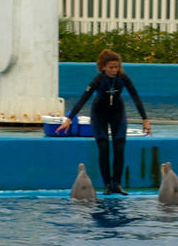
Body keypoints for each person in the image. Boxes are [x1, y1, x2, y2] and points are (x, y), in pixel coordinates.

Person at [56, 49, 152, 195]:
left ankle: (117, 184)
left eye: (117, 67)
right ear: (103, 67)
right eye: (111, 67)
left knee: (119, 150)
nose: (114, 70)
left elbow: (136, 98)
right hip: (99, 115)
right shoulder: (98, 80)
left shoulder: (123, 78)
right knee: (104, 149)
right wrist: (69, 119)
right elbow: (83, 99)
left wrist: (145, 119)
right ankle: (107, 184)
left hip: (117, 115)